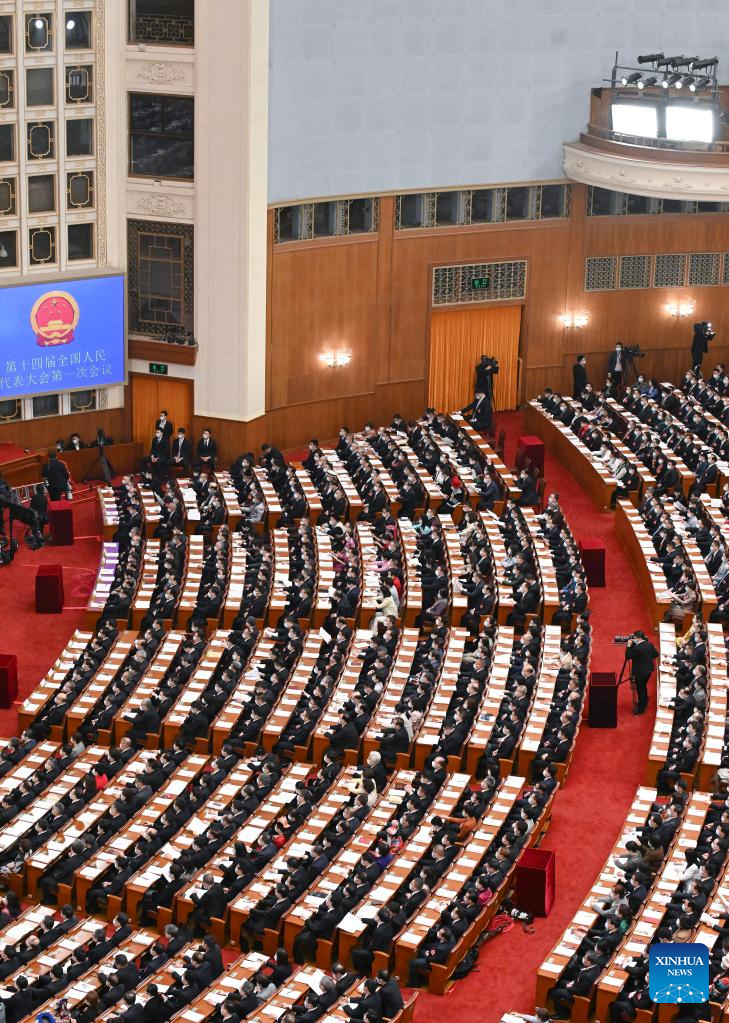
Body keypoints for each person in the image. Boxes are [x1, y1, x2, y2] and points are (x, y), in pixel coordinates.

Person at [625, 630, 659, 715]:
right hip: (648, 670)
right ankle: (644, 700)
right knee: (643, 686)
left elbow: (628, 656)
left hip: (640, 673)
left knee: (640, 689)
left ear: (639, 638)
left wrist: (629, 646)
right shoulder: (649, 644)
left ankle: (641, 708)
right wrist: (646, 659)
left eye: (635, 638)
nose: (634, 639)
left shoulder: (637, 648)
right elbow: (656, 654)